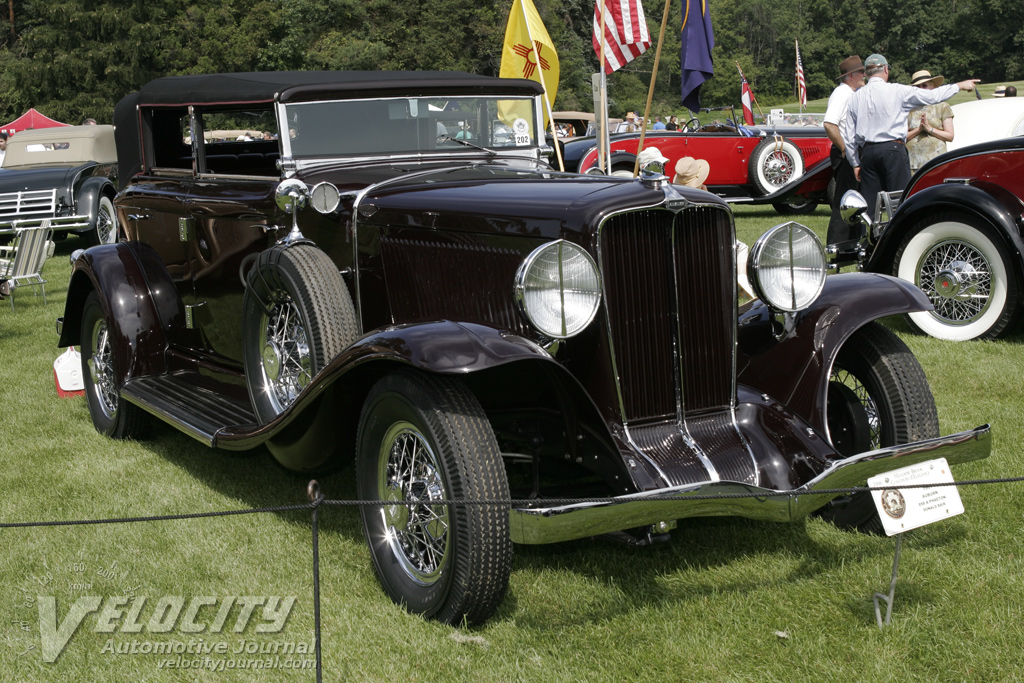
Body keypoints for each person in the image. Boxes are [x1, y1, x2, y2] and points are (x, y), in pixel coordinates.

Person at [843, 53, 978, 216]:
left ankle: (870, 240)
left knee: (870, 207)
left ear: (866, 73)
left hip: (868, 153)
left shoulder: (855, 98)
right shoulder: (897, 91)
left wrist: (855, 163)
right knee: (900, 203)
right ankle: (900, 239)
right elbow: (933, 96)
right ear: (885, 69)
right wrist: (960, 85)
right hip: (893, 149)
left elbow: (849, 137)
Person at [823, 55, 867, 246]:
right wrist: (844, 149)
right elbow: (830, 124)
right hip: (846, 155)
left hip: (850, 153)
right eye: (861, 72)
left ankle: (853, 243)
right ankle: (836, 245)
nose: (864, 75)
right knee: (845, 201)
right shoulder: (843, 94)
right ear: (851, 76)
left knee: (854, 201)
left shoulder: (849, 93)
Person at [906, 70, 954, 173]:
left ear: (932, 87)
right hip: (913, 164)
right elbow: (902, 137)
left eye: (925, 85)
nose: (921, 89)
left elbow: (950, 136)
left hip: (937, 161)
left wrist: (929, 129)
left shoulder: (942, 106)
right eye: (918, 87)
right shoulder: (907, 108)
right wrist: (919, 129)